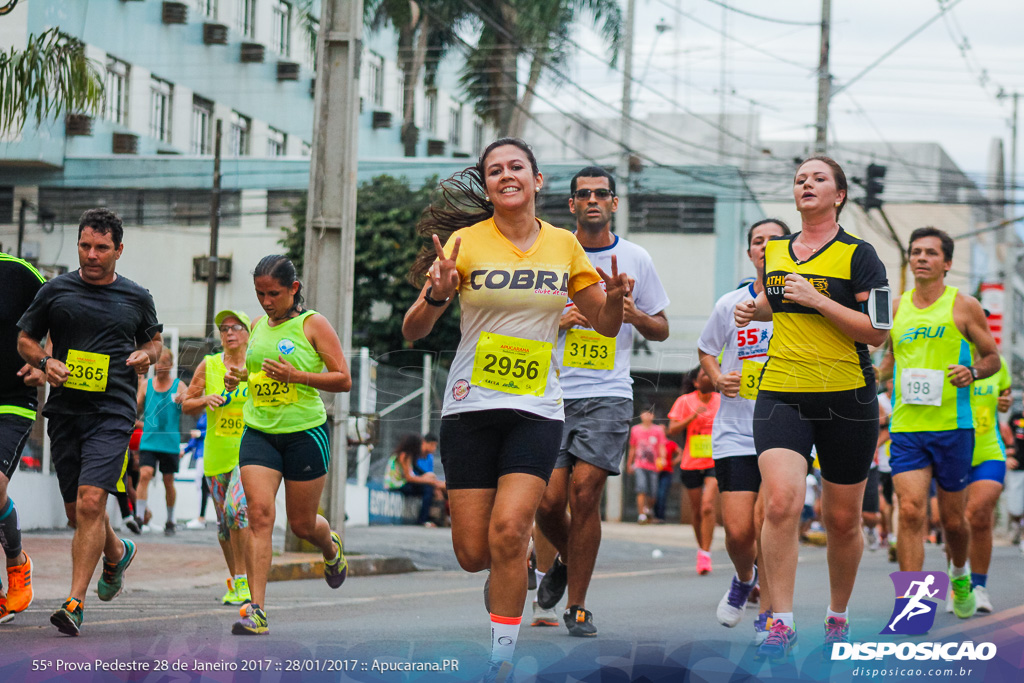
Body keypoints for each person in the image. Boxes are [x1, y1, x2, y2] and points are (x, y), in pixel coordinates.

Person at [402, 138, 627, 679]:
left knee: (508, 529)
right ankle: (513, 561)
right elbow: (414, 330)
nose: (507, 175)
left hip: (537, 408)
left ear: (537, 179)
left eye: (516, 167)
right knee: (473, 552)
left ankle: (501, 658)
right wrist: (437, 293)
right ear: (488, 183)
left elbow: (605, 323)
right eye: (495, 170)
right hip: (469, 407)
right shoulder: (463, 241)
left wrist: (615, 298)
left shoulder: (564, 245)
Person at [734, 156, 889, 659]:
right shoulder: (775, 251)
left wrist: (818, 299)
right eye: (800, 178)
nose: (807, 183)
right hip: (782, 389)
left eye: (818, 178)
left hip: (848, 396)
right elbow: (772, 302)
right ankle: (779, 621)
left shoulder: (862, 256)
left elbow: (878, 333)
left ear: (839, 194)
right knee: (780, 503)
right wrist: (751, 307)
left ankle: (837, 615)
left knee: (841, 520)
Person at [532, 165, 669, 637]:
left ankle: (578, 605)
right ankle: (566, 564)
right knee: (547, 503)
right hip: (549, 390)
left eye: (602, 194)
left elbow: (662, 327)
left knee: (585, 493)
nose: (592, 200)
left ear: (613, 203)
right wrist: (560, 320)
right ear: (570, 205)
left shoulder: (636, 258)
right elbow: (519, 320)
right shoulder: (549, 253)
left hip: (608, 393)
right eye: (583, 194)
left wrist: (628, 313)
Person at [17, 208, 163, 635]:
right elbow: (25, 339)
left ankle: (74, 602)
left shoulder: (137, 297)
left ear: (119, 250)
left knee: (90, 503)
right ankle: (117, 552)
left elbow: (154, 343)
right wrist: (45, 361)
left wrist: (145, 356)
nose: (92, 255)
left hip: (113, 411)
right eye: (85, 245)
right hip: (65, 413)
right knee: (77, 513)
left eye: (101, 248)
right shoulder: (56, 291)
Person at [224, 255, 352, 635]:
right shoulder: (259, 325)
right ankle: (256, 609)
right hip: (259, 431)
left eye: (274, 293)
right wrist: (240, 379)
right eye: (260, 293)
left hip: (304, 434)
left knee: (301, 525)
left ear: (293, 289)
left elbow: (343, 379)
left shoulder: (313, 325)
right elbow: (261, 373)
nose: (266, 301)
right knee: (259, 516)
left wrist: (298, 376)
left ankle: (330, 547)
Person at [880, 226, 1000, 620]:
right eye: (916, 252)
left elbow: (992, 359)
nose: (921, 258)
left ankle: (961, 574)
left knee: (953, 521)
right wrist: (873, 379)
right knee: (912, 511)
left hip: (953, 426)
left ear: (946, 264)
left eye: (931, 253)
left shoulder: (964, 306)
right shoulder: (896, 308)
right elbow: (888, 362)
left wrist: (972, 372)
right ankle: (913, 610)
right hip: (907, 426)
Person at [697, 218, 789, 639]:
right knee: (737, 530)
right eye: (757, 240)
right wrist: (717, 378)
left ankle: (769, 618)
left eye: (775, 240)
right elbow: (706, 349)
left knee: (773, 520)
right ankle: (742, 577)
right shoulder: (728, 304)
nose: (765, 246)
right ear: (750, 252)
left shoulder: (800, 301)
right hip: (735, 428)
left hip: (786, 426)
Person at [182, 310, 255, 607]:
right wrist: (205, 399)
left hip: (250, 451)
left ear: (248, 333)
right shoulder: (209, 365)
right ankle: (236, 581)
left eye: (236, 327)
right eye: (224, 328)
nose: (229, 333)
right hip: (216, 453)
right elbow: (187, 404)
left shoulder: (257, 365)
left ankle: (244, 581)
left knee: (237, 510)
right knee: (224, 523)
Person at [943, 352, 1011, 614]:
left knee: (979, 515)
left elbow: (1004, 394)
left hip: (988, 452)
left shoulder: (998, 363)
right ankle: (958, 586)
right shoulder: (946, 356)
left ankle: (979, 587)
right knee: (953, 522)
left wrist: (1005, 402)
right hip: (953, 449)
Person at [0, 252, 47, 623]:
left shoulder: (18, 273)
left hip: (12, 401)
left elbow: (63, 319)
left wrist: (45, 360)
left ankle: (16, 562)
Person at [667, 367, 720, 575]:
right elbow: (672, 429)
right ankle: (702, 549)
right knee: (697, 511)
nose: (708, 377)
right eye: (703, 375)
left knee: (708, 506)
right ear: (696, 382)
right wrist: (693, 416)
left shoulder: (721, 399)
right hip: (691, 461)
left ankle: (706, 553)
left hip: (715, 460)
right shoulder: (684, 401)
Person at [136, 348, 186, 535]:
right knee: (145, 474)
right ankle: (139, 517)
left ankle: (171, 519)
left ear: (171, 365)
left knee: (168, 480)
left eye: (165, 362)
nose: (160, 366)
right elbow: (136, 408)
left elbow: (190, 404)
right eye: (158, 362)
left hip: (169, 442)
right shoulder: (146, 385)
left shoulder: (179, 386)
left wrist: (185, 399)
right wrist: (142, 425)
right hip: (149, 440)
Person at [385, 433, 447, 526]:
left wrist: (432, 480)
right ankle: (422, 520)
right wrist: (430, 481)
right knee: (428, 489)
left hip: (403, 483)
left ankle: (436, 518)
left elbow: (417, 473)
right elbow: (409, 478)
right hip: (397, 484)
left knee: (430, 488)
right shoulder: (403, 455)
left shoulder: (410, 456)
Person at [626, 410, 665, 525]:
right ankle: (641, 515)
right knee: (641, 488)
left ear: (653, 415)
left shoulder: (658, 430)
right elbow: (632, 448)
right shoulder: (635, 430)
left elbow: (662, 446)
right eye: (645, 413)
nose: (647, 416)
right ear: (641, 415)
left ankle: (648, 508)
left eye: (649, 413)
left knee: (653, 493)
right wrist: (629, 464)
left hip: (653, 465)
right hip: (639, 464)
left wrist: (662, 458)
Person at [1007, 404, 1024, 548]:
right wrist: (1007, 457)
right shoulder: (1016, 419)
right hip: (1017, 468)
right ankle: (1017, 526)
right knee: (1015, 506)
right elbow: (1004, 438)